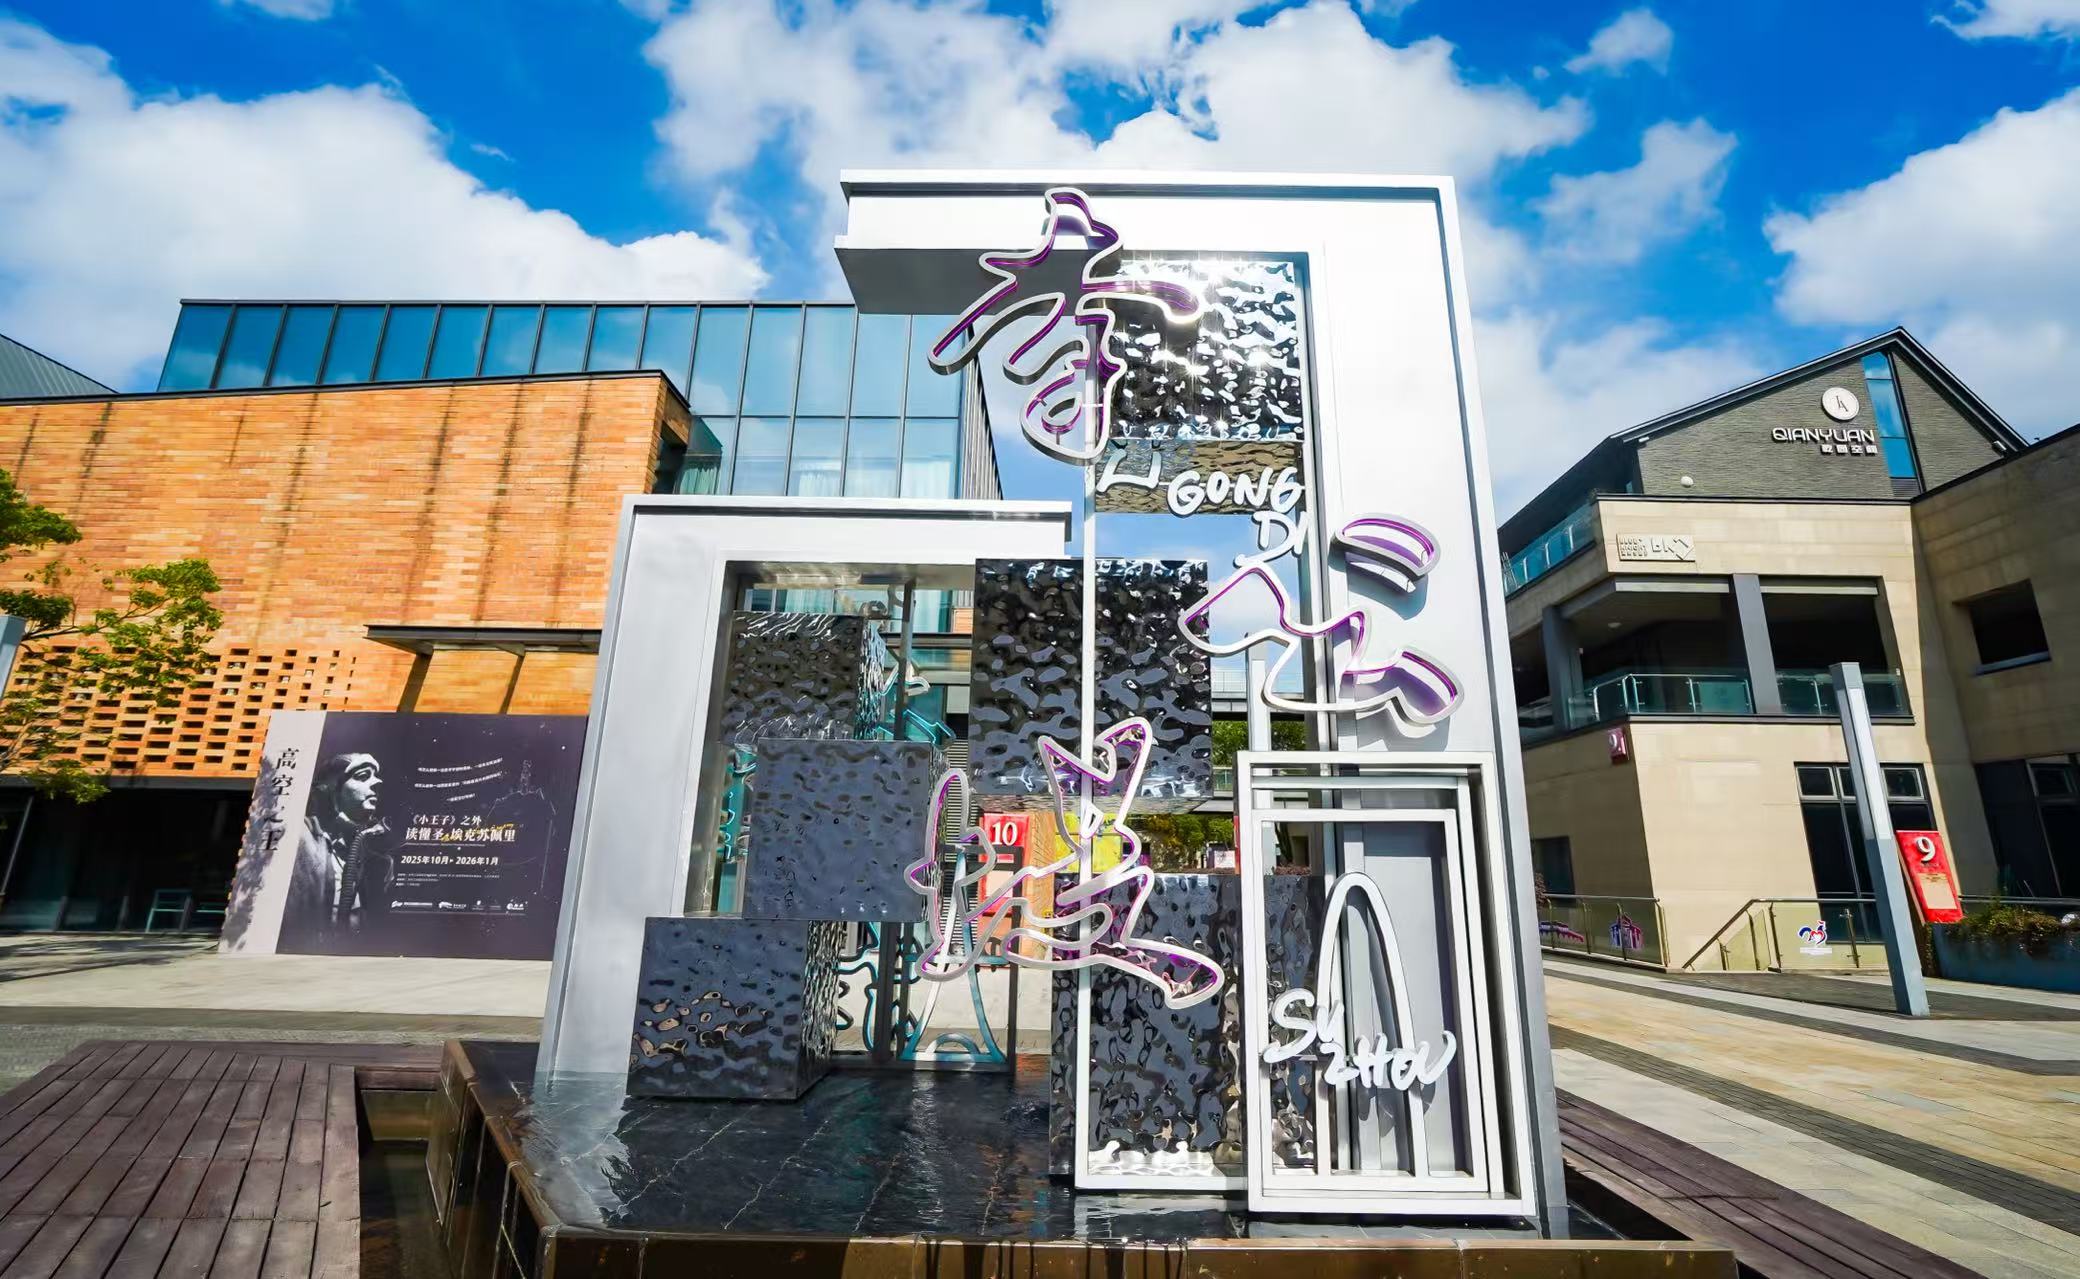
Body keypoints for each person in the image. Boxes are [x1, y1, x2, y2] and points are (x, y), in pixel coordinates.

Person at [283, 752, 388, 947]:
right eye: (363, 776)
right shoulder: (300, 836)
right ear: (330, 789)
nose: (377, 782)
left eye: (375, 776)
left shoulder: (363, 850)